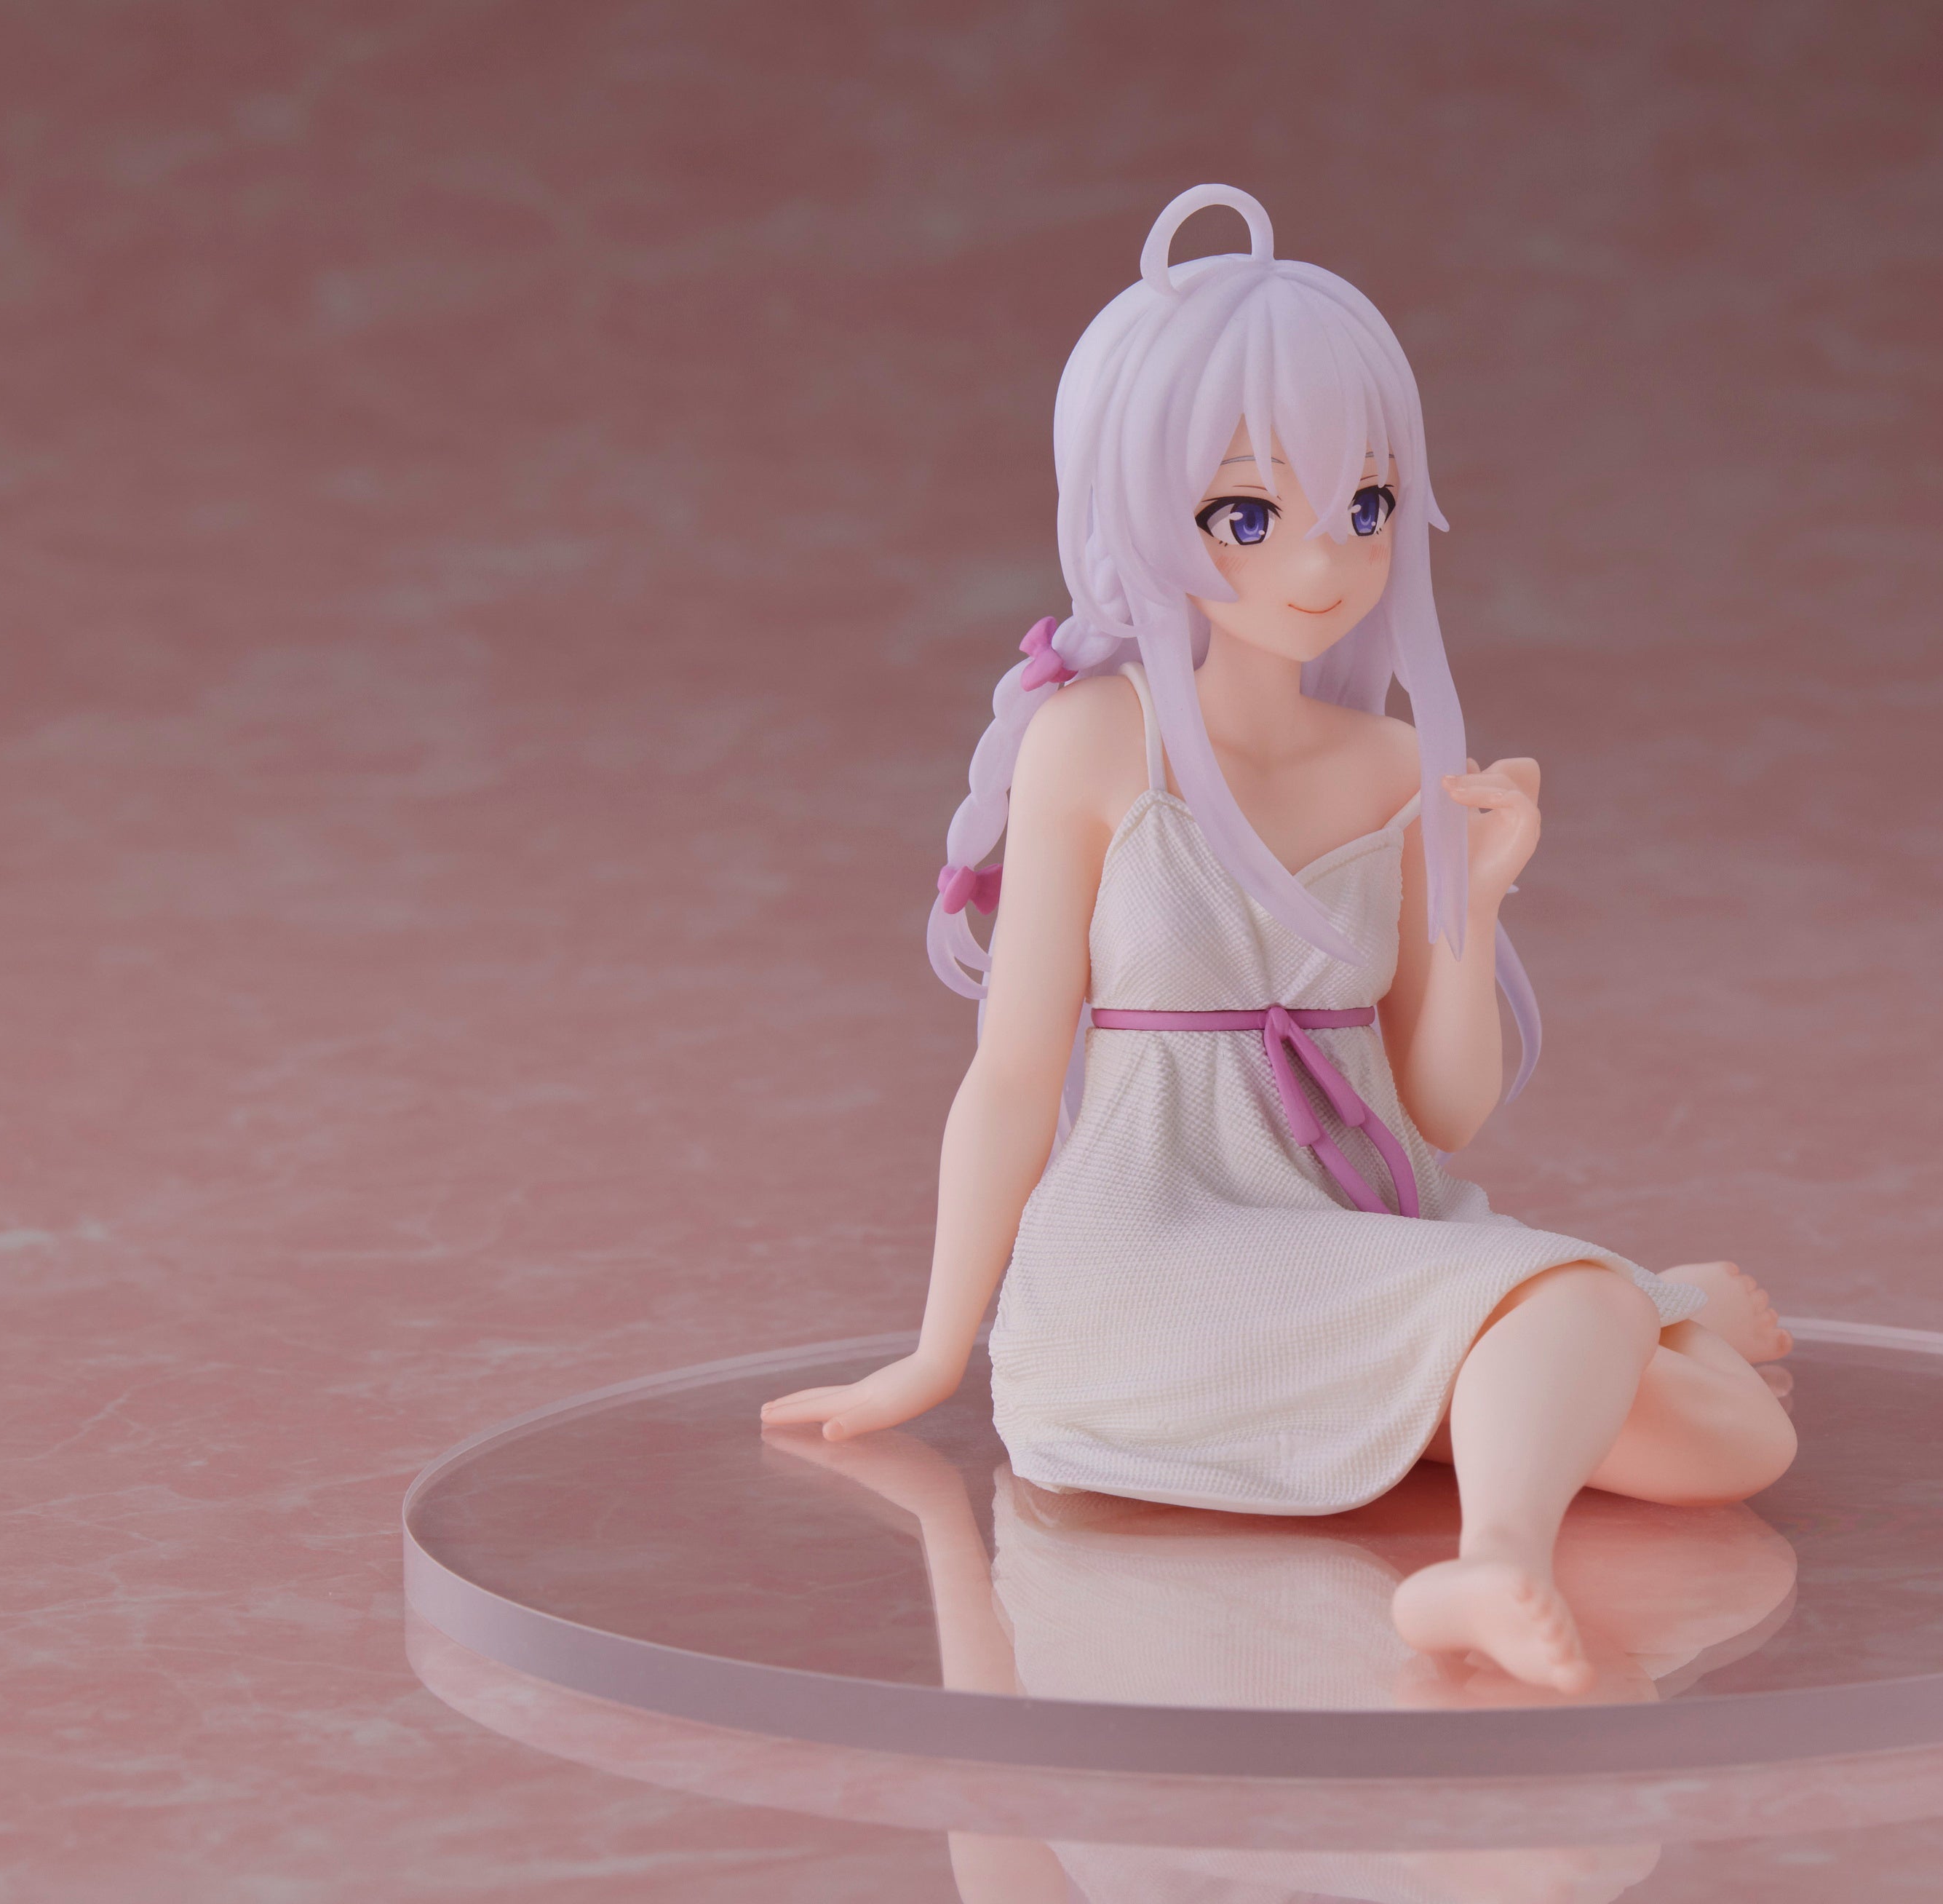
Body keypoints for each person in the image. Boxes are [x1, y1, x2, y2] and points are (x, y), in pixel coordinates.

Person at [763, 185, 1798, 1692]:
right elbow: (1011, 1077)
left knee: (1736, 1442)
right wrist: (936, 1350)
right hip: (1153, 1258)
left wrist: (1476, 897)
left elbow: (1440, 1110)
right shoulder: (1094, 742)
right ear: (1137, 509)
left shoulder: (1389, 765)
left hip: (1354, 1235)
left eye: (1363, 508)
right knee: (1585, 1313)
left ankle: (1540, 1401)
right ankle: (1527, 1503)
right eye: (1245, 517)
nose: (1321, 564)